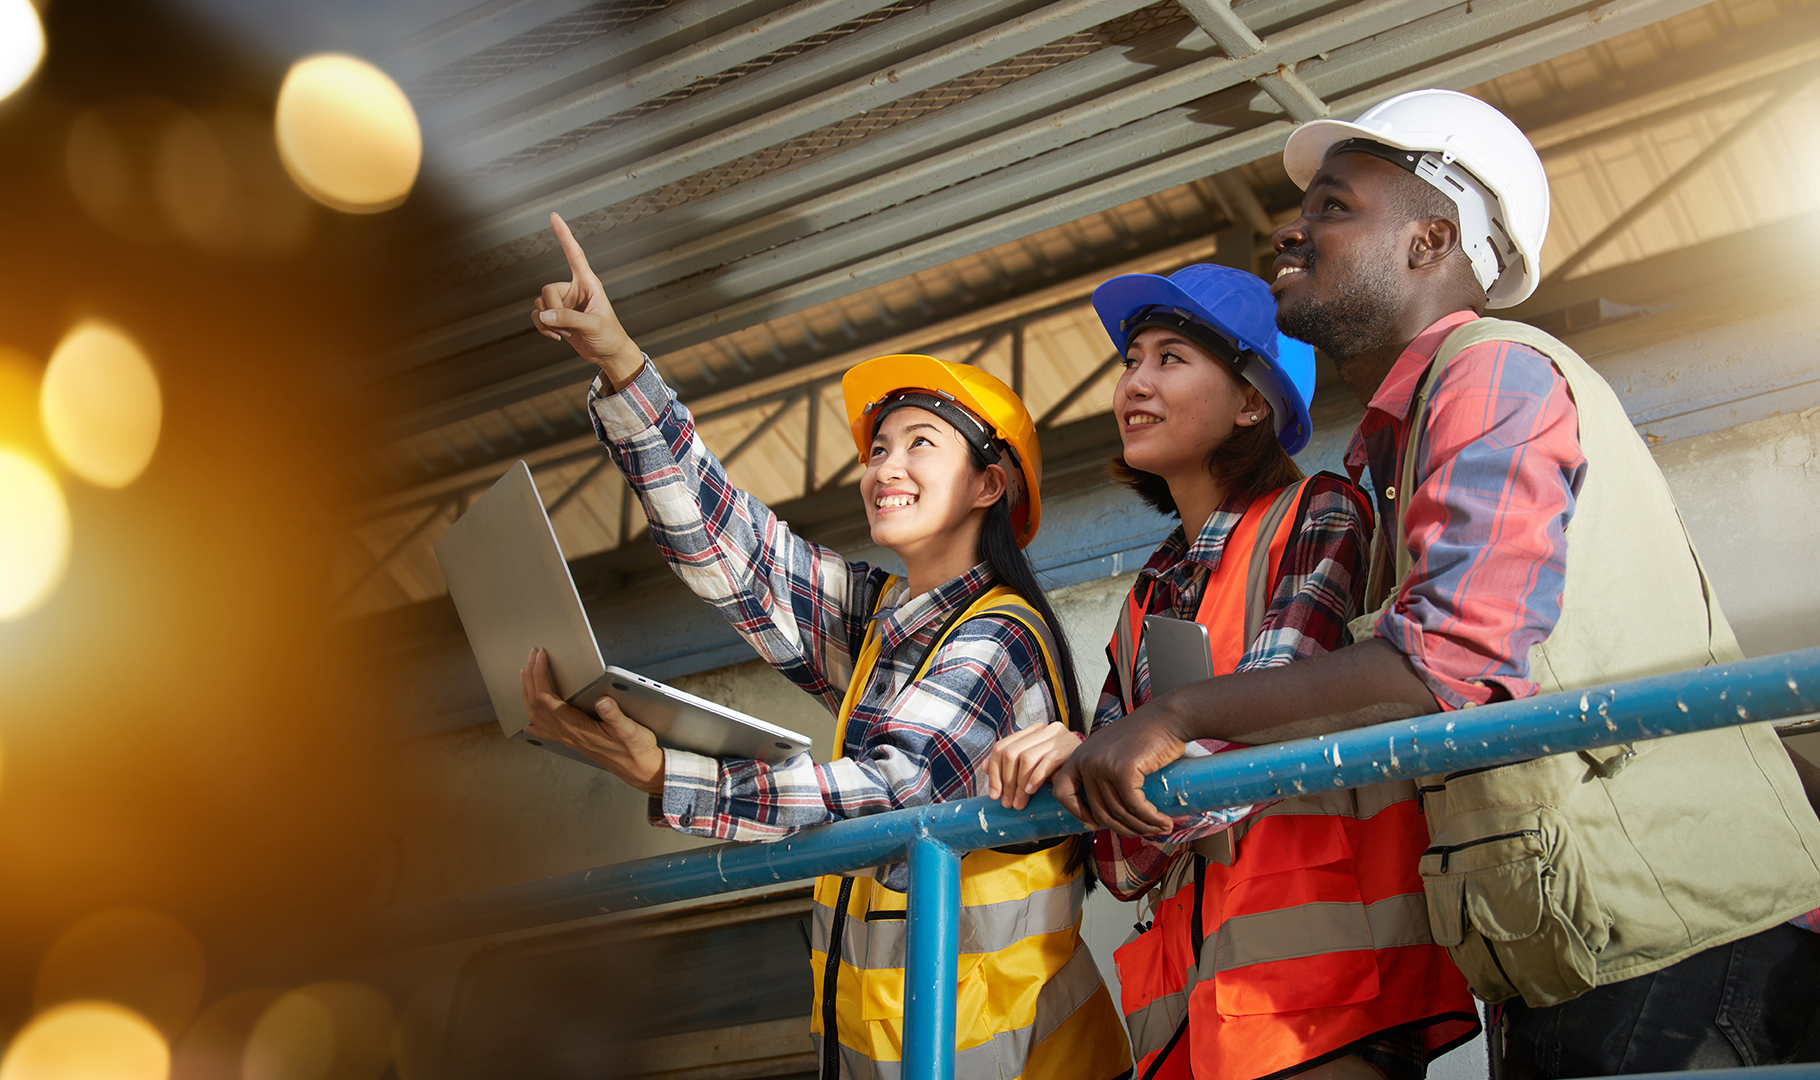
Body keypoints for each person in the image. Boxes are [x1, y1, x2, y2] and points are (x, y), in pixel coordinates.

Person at [1054, 89, 1820, 1074]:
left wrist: (1174, 714)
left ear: (1430, 241)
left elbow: (1453, 656)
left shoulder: (1490, 370)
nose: (1295, 228)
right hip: (1593, 936)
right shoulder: (1405, 442)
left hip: (1675, 933)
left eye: (1335, 206)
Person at [517, 213, 1134, 1080]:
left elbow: (892, 796)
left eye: (922, 444)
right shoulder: (888, 622)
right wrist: (619, 363)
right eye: (879, 448)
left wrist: (671, 776)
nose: (886, 466)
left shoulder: (998, 636)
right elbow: (730, 550)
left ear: (989, 484)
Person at [982, 263, 1477, 1080]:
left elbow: (1264, 729)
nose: (1134, 382)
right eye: (1131, 359)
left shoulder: (1320, 512)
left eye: (1170, 358)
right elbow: (1116, 860)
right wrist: (1080, 768)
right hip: (1193, 1016)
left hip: (1326, 997)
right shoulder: (1152, 590)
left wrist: (1118, 775)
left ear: (1254, 401)